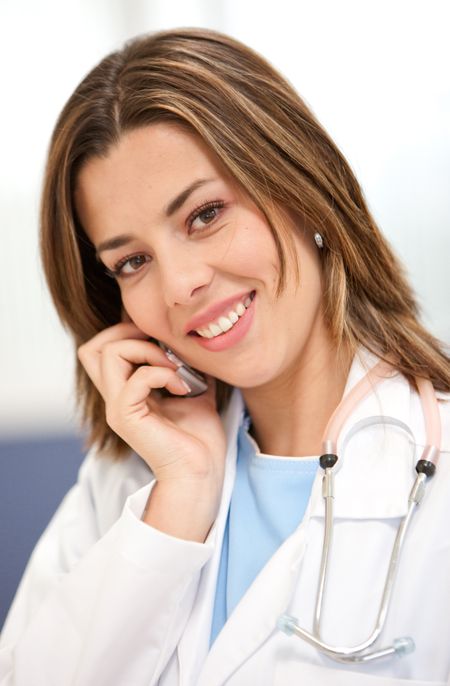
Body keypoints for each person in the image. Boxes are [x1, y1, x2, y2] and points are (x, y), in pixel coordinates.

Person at [0, 27, 449, 686]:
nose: (180, 286)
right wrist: (179, 502)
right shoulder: (129, 485)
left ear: (302, 187)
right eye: (132, 261)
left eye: (205, 214)